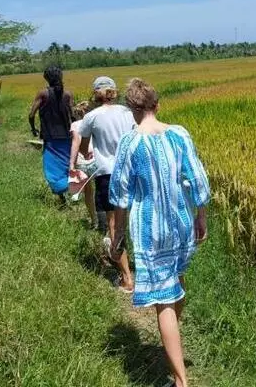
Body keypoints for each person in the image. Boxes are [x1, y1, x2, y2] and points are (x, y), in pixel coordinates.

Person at [109, 78, 209, 387]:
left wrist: (118, 235)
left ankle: (180, 381)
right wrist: (201, 217)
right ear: (158, 105)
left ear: (131, 109)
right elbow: (198, 179)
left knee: (164, 299)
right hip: (181, 222)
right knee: (177, 279)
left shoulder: (130, 143)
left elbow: (120, 195)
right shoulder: (179, 134)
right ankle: (173, 335)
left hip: (151, 231)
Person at [69, 76, 136, 292]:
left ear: (95, 94)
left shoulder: (91, 116)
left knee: (114, 224)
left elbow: (83, 146)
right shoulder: (128, 112)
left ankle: (127, 278)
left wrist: (91, 152)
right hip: (132, 171)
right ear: (114, 92)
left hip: (107, 174)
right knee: (134, 219)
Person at [28, 65, 74, 197]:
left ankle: (61, 195)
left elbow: (31, 115)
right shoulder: (68, 94)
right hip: (66, 136)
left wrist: (33, 129)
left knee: (53, 168)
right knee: (67, 165)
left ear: (46, 78)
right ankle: (72, 192)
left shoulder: (43, 94)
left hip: (50, 137)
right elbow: (73, 116)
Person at [70, 101, 99, 230]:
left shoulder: (75, 125)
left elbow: (75, 143)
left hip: (82, 162)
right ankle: (104, 218)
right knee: (101, 189)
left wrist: (71, 163)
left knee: (88, 192)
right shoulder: (96, 122)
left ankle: (94, 220)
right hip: (97, 160)